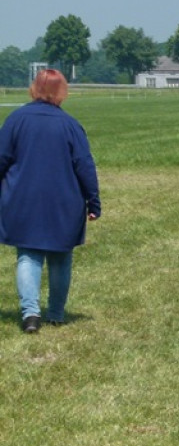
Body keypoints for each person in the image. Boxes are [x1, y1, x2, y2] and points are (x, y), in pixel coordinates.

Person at [0, 69, 101, 333]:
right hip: (64, 202)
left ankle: (30, 314)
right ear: (61, 91)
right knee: (60, 257)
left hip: (22, 199)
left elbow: (1, 159)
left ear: (34, 88)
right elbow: (84, 165)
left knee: (28, 255)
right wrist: (93, 201)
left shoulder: (16, 119)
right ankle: (56, 313)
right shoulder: (69, 124)